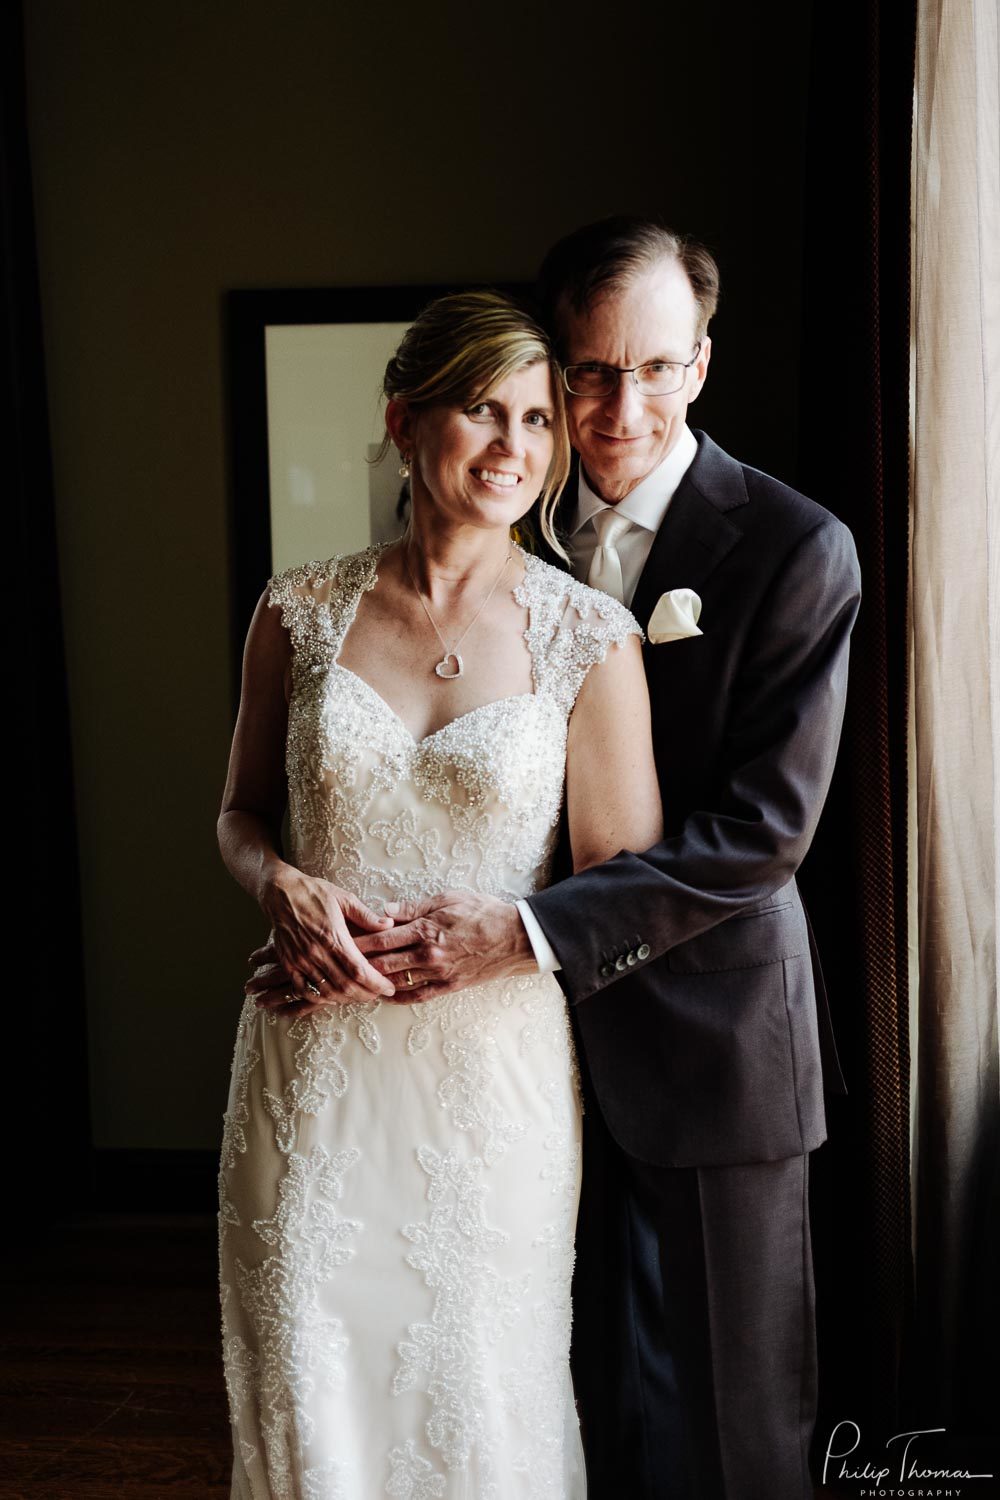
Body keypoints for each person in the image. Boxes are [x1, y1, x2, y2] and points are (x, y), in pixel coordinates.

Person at [251, 218, 862, 1498]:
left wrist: (523, 935)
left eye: (651, 369)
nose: (613, 406)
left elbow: (762, 833)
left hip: (706, 1042)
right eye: (585, 373)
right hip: (497, 1067)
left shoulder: (796, 548)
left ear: (699, 364)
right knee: (556, 1413)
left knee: (735, 1435)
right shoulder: (495, 519)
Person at [217, 288, 662, 1498]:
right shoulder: (297, 611)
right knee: (312, 1378)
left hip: (491, 1087)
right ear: (404, 420)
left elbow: (620, 891)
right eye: (482, 410)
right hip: (312, 1068)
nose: (516, 446)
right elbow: (240, 815)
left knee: (475, 1390)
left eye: (535, 419)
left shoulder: (589, 638)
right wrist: (283, 894)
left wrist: (508, 940)